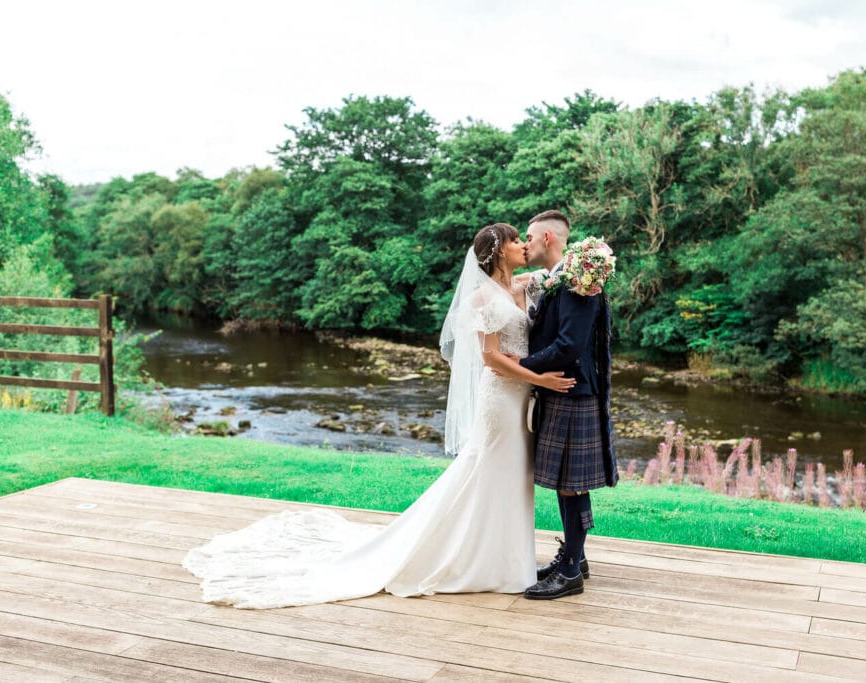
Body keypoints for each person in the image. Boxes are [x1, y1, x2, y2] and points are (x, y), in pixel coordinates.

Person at [182, 223, 575, 608]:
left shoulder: (521, 285)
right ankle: (479, 562)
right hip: (500, 400)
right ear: (497, 250)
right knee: (491, 472)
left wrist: (590, 262)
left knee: (510, 477)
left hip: (521, 398)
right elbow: (490, 359)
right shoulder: (481, 300)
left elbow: (559, 272)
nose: (522, 244)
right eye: (513, 240)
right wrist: (537, 375)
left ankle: (508, 560)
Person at [516, 209, 618, 600]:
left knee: (571, 486)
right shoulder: (562, 278)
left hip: (572, 391)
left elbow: (567, 346)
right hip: (565, 391)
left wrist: (519, 368)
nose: (525, 243)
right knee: (564, 484)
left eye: (528, 236)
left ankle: (571, 571)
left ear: (546, 238)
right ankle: (574, 557)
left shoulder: (578, 283)